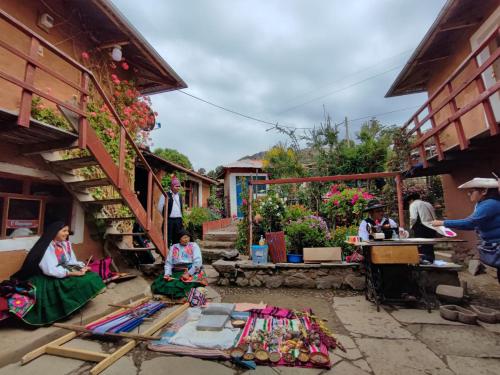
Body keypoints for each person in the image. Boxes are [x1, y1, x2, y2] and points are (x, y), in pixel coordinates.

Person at [11, 222, 105, 326]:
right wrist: (72, 273)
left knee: (91, 276)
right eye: (64, 231)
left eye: (67, 231)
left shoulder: (66, 244)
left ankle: (76, 305)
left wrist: (82, 267)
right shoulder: (46, 247)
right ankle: (65, 310)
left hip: (63, 271)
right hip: (47, 276)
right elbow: (50, 270)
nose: (67, 233)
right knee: (74, 283)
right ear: (54, 232)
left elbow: (70, 261)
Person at [432, 177, 500, 282]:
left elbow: (469, 223)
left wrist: (443, 222)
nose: (469, 194)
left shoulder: (490, 204)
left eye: (472, 192)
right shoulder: (482, 204)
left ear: (484, 191)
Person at [151, 229, 207, 299]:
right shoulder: (174, 247)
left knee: (181, 286)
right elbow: (169, 262)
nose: (186, 239)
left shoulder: (193, 245)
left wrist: (189, 273)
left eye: (187, 237)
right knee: (161, 284)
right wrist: (167, 274)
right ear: (179, 238)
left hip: (190, 271)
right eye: (184, 237)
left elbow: (198, 262)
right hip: (176, 271)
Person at [405, 192, 437, 262]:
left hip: (421, 227)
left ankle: (425, 262)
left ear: (411, 200)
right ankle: (432, 261)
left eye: (409, 202)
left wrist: (411, 226)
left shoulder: (413, 204)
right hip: (432, 226)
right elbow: (434, 216)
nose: (409, 203)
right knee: (430, 246)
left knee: (422, 246)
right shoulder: (428, 204)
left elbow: (413, 218)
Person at [158, 176, 183, 246]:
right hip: (169, 220)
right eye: (176, 186)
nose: (178, 188)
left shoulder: (180, 196)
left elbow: (181, 208)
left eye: (179, 186)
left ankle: (176, 254)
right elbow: (160, 208)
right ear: (172, 186)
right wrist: (166, 216)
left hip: (178, 220)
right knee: (167, 238)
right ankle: (167, 253)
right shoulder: (165, 195)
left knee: (177, 238)